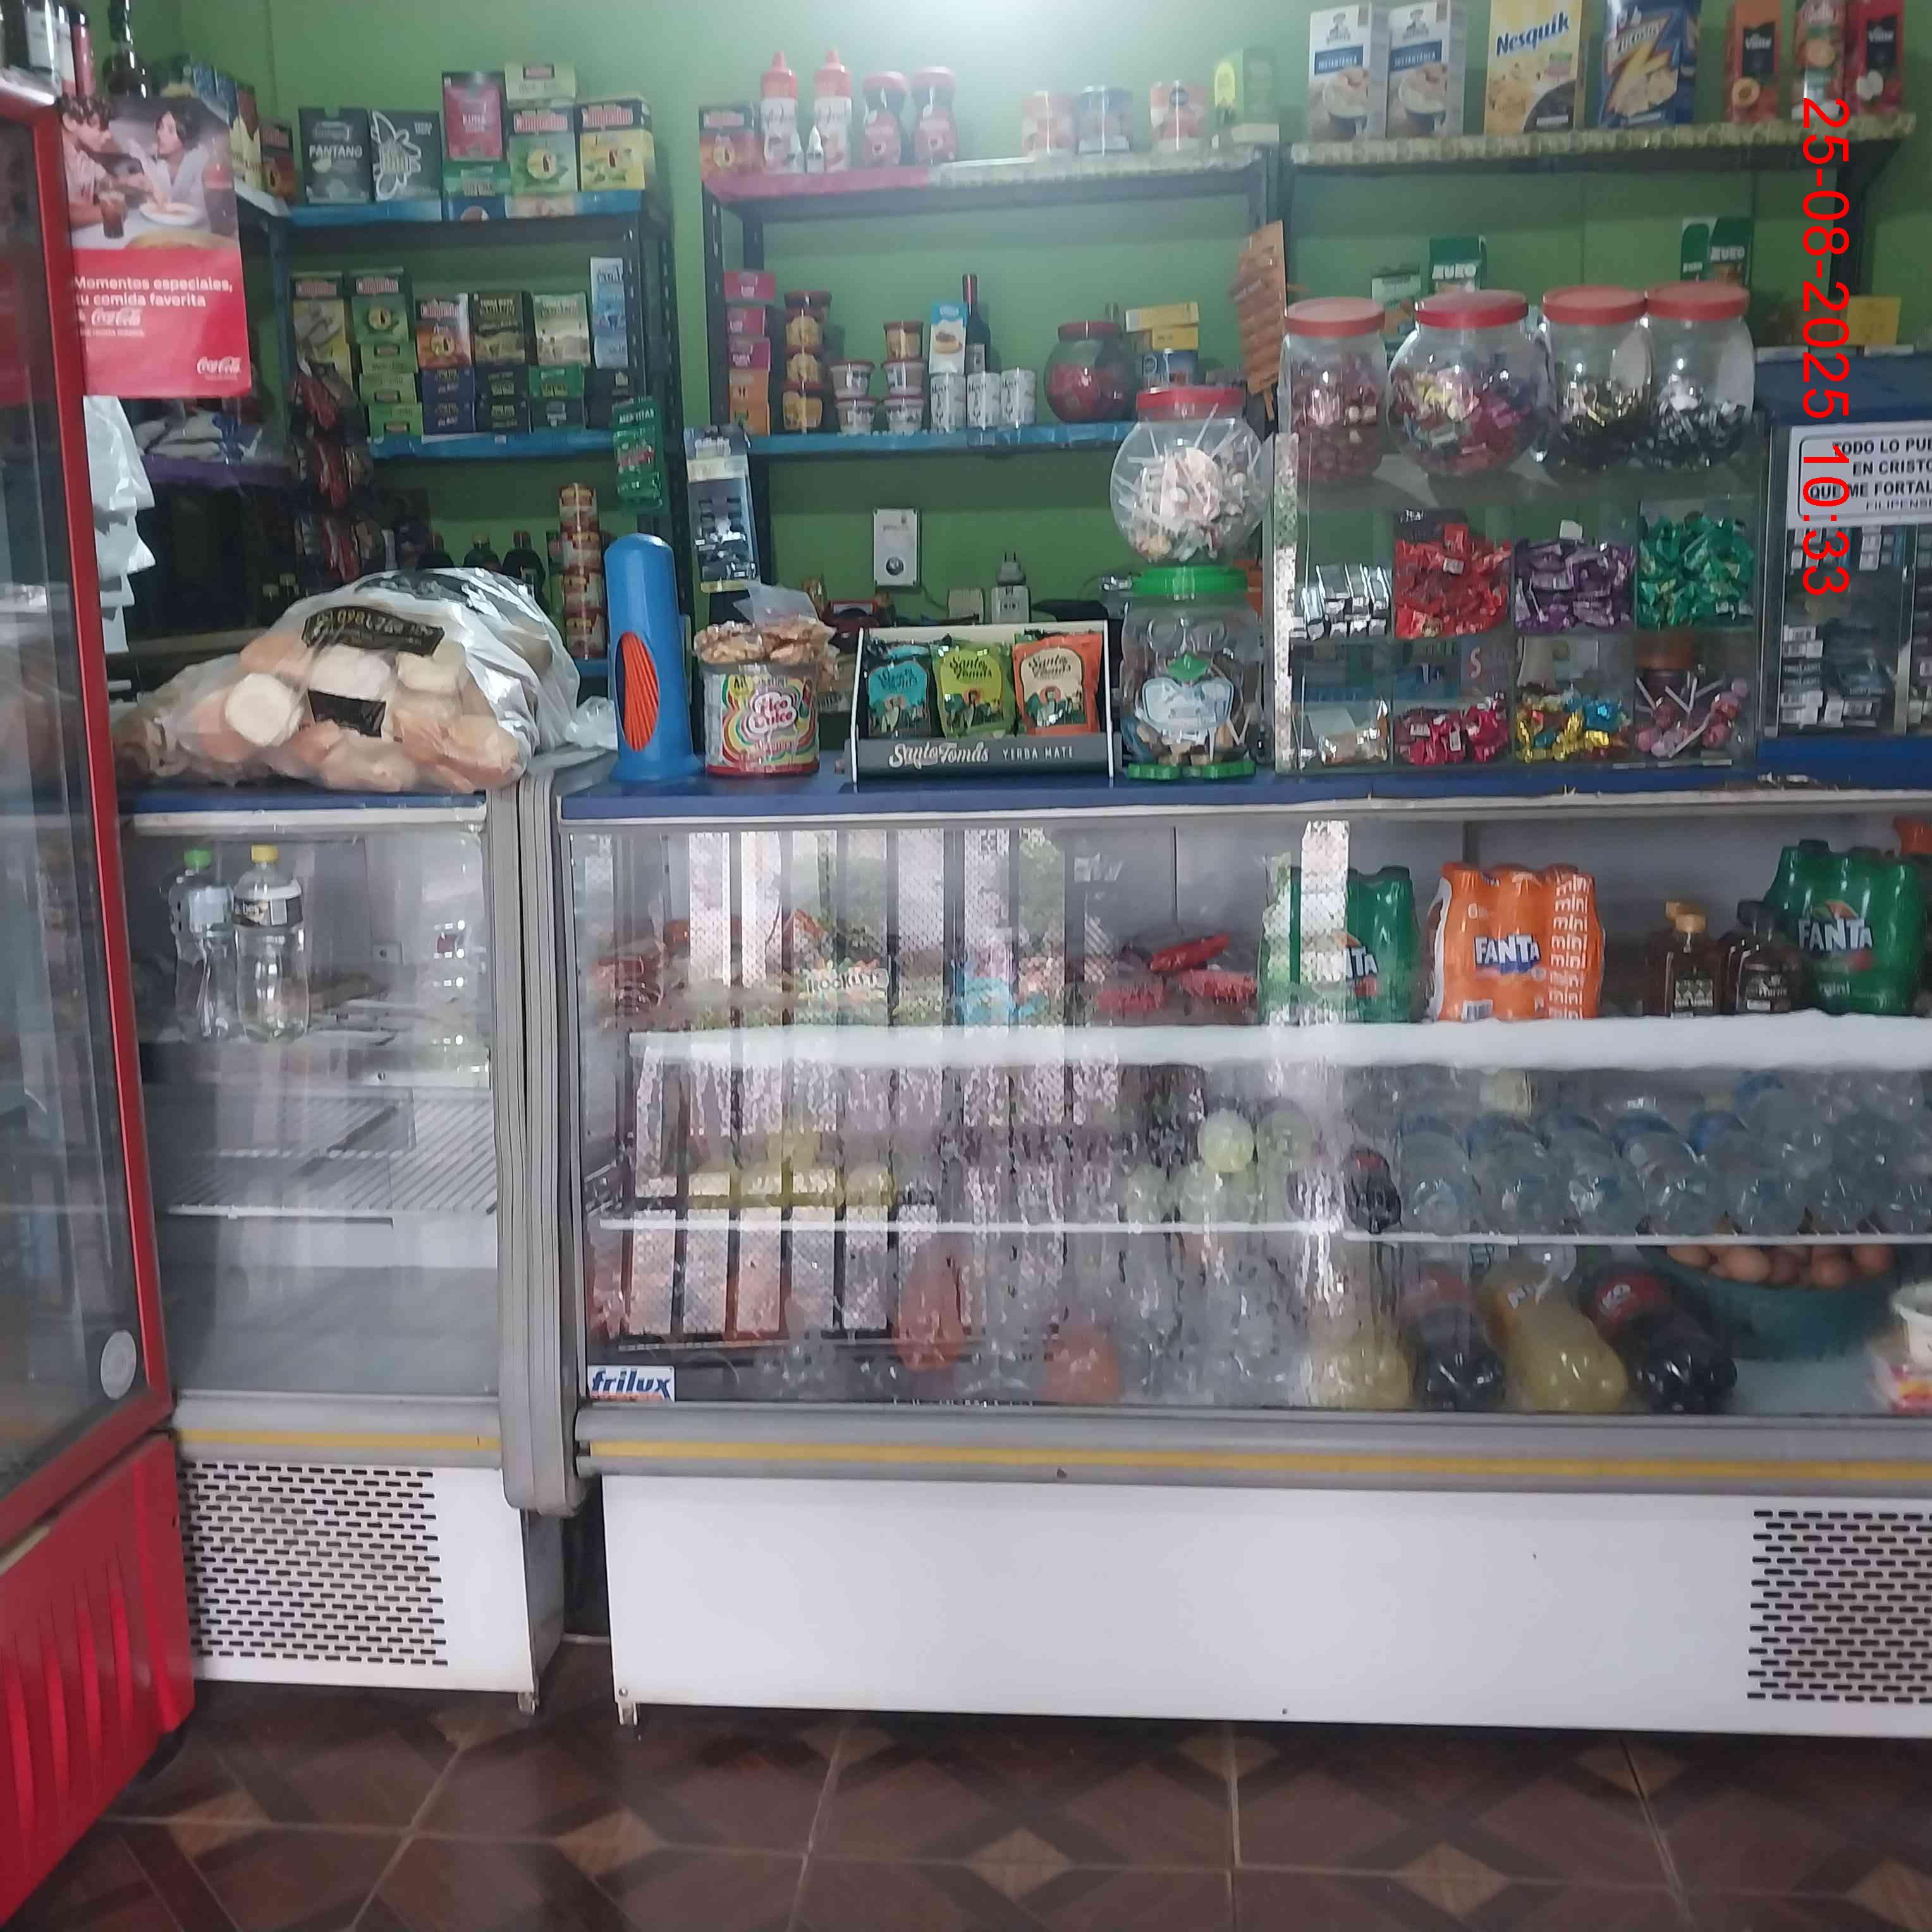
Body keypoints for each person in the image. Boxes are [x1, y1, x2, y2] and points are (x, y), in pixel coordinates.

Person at [129, 99, 210, 222]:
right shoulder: (149, 161)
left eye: (171, 130)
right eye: (161, 127)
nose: (160, 134)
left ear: (186, 135)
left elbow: (201, 208)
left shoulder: (200, 158)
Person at [60, 95, 119, 228]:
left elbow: (107, 180)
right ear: (70, 121)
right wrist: (108, 211)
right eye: (102, 127)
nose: (109, 135)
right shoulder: (51, 155)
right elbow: (57, 214)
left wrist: (129, 182)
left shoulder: (83, 156)